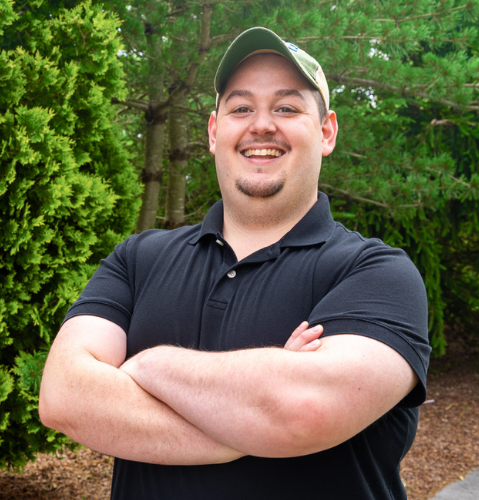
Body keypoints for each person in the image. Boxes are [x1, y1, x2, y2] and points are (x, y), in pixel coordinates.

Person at [39, 27, 431, 499]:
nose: (261, 125)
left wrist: (148, 366)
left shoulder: (376, 273)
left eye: (286, 107)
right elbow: (63, 396)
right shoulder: (138, 259)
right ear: (212, 131)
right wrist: (252, 420)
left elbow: (301, 411)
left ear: (326, 131)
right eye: (241, 108)